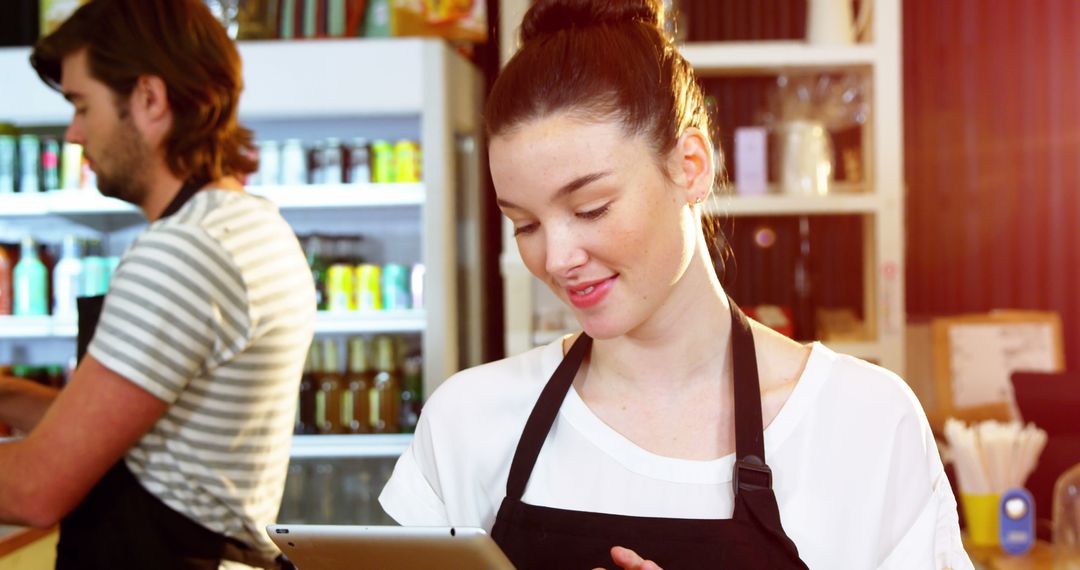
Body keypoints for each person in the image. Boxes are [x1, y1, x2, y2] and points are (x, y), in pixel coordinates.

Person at [379, 1, 973, 568]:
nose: (556, 258)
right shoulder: (469, 421)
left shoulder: (863, 422)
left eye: (591, 208)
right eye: (525, 224)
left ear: (690, 166)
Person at [0, 1, 315, 568]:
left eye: (81, 105)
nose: (74, 134)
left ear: (149, 99)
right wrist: (8, 395)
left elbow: (34, 489)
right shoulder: (246, 224)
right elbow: (139, 438)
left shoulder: (186, 249)